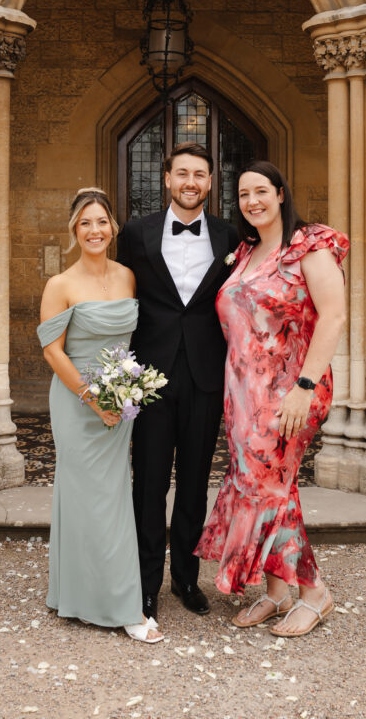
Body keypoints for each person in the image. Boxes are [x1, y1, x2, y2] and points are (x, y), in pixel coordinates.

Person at [196, 161, 348, 637]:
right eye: (243, 194)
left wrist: (303, 388)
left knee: (269, 489)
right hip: (242, 395)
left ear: (281, 194)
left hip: (290, 392)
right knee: (259, 485)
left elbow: (334, 317)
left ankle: (314, 592)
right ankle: (277, 593)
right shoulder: (244, 251)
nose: (252, 201)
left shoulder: (309, 246)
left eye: (261, 191)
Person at [117, 143, 238, 621]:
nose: (191, 181)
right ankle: (145, 585)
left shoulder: (231, 237)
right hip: (150, 376)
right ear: (166, 178)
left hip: (206, 375)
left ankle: (186, 579)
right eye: (182, 173)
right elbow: (118, 294)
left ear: (210, 183)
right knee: (147, 484)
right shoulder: (134, 234)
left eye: (200, 174)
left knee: (193, 484)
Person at [37, 187, 163, 643]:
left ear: (113, 227)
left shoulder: (129, 277)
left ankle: (75, 592)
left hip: (119, 402)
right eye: (85, 222)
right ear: (74, 229)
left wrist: (123, 397)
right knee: (87, 494)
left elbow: (131, 344)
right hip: (78, 402)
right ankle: (118, 605)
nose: (95, 230)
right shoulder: (60, 285)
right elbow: (53, 352)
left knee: (109, 497)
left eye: (102, 222)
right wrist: (95, 400)